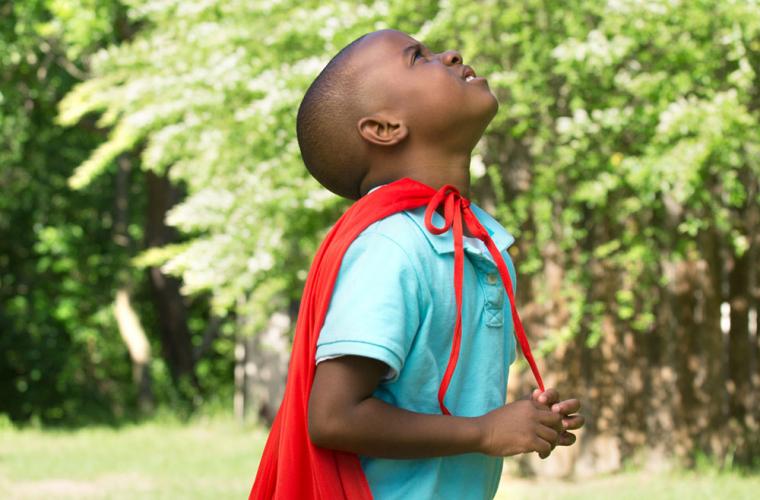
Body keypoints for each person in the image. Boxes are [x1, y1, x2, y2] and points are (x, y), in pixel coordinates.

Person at [251, 29, 584, 500]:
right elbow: (333, 417)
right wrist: (484, 432)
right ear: (384, 128)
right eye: (418, 58)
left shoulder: (475, 242)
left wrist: (525, 423)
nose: (450, 54)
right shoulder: (393, 247)